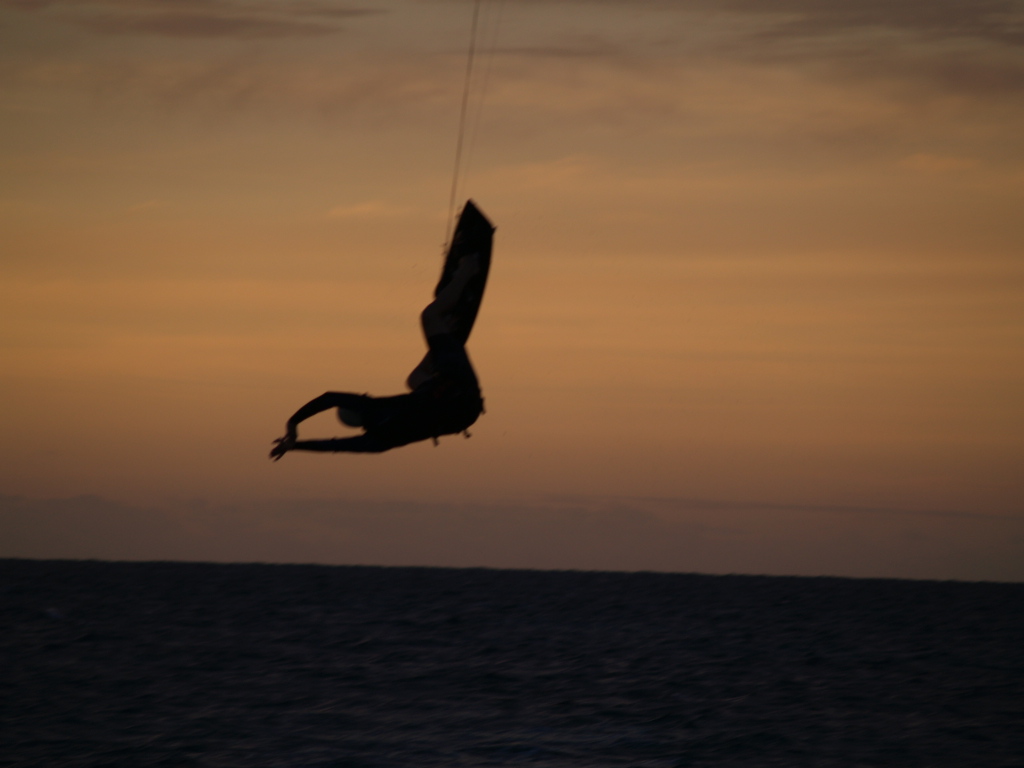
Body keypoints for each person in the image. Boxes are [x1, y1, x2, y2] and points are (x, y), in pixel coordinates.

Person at [269, 253, 484, 458]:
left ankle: (445, 339)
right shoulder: (371, 407)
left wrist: (294, 446)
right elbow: (329, 398)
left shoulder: (377, 441)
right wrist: (293, 423)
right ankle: (468, 270)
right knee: (429, 316)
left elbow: (333, 446)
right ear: (358, 406)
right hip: (457, 387)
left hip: (466, 415)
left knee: (415, 379)